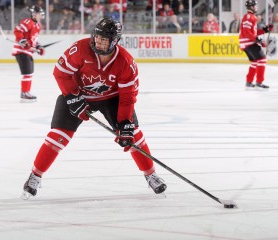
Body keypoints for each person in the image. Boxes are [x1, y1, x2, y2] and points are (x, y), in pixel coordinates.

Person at [21, 17, 167, 200]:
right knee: (58, 136)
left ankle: (150, 174)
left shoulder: (125, 62)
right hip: (78, 95)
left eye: (103, 39)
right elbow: (61, 73)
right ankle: (34, 176)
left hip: (111, 99)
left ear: (114, 41)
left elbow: (127, 97)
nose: (97, 41)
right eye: (97, 36)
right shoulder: (80, 49)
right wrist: (72, 96)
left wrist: (124, 123)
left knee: (133, 134)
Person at [12, 5, 45, 103]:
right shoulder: (28, 22)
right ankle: (24, 93)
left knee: (30, 73)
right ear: (34, 14)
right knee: (26, 73)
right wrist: (22, 40)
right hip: (21, 51)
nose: (41, 16)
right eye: (39, 14)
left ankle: (26, 92)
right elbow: (18, 31)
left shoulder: (38, 26)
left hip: (28, 52)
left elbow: (34, 41)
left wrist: (39, 47)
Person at [239, 0, 273, 89]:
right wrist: (257, 40)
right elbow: (247, 33)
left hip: (246, 43)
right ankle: (259, 82)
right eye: (255, 6)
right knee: (262, 59)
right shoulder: (249, 17)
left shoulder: (251, 16)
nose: (257, 7)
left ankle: (249, 82)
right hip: (248, 42)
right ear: (251, 7)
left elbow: (252, 32)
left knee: (254, 62)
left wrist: (264, 30)